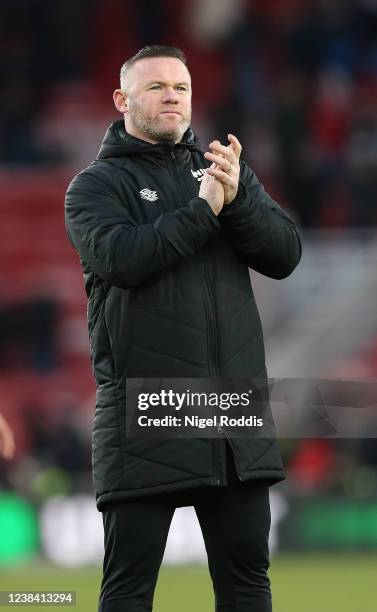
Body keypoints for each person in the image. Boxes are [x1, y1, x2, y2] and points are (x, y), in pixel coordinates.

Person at [65, 45, 301, 612]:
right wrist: (203, 211)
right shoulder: (95, 186)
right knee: (129, 587)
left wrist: (237, 197)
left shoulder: (224, 172)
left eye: (181, 87)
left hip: (232, 416)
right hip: (148, 414)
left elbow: (285, 253)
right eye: (156, 87)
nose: (172, 96)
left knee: (247, 584)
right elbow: (123, 259)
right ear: (122, 100)